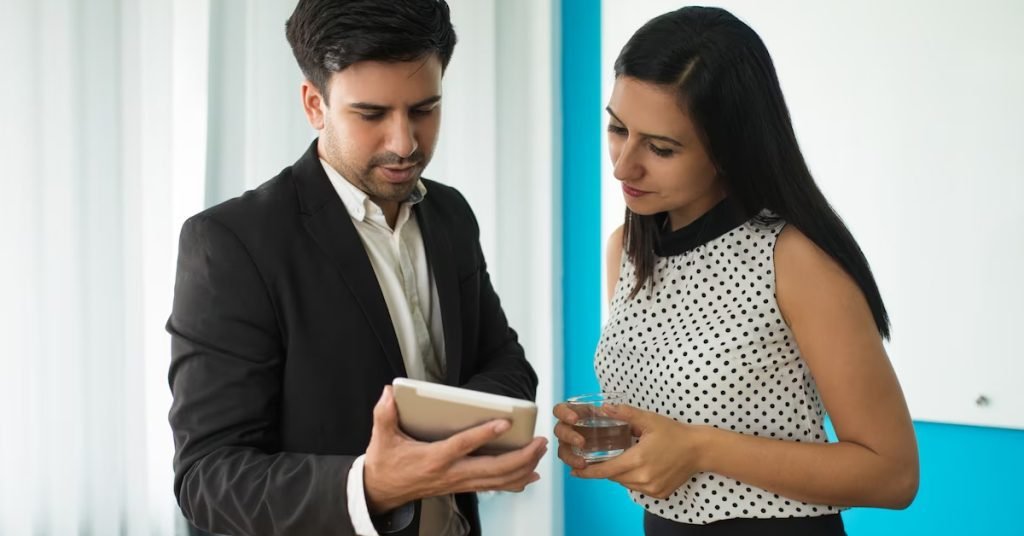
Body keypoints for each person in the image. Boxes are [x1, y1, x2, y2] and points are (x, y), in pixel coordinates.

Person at [166, 1, 546, 535]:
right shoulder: (232, 243)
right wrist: (372, 484)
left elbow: (504, 360)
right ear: (314, 104)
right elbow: (208, 479)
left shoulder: (451, 213)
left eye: (424, 109)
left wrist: (462, 444)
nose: (405, 143)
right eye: (372, 115)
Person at [553, 6, 919, 535]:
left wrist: (700, 448)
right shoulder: (628, 250)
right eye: (617, 128)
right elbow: (665, 427)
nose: (622, 165)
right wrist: (611, 441)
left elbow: (894, 474)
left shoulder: (795, 261)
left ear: (729, 150)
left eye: (661, 147)